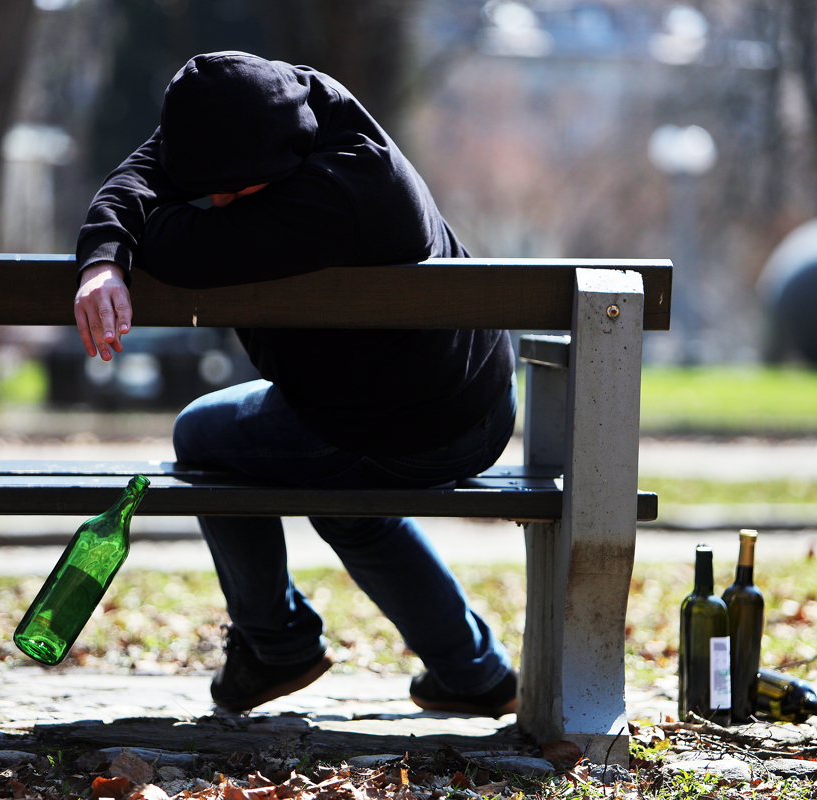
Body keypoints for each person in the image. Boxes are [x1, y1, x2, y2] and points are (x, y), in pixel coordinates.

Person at [72, 51, 518, 717]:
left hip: (418, 424)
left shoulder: (338, 197)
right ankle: (473, 674)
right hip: (466, 390)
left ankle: (276, 642)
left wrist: (127, 237)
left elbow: (179, 241)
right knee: (350, 508)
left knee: (202, 437)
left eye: (230, 191)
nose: (218, 199)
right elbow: (144, 172)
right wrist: (105, 257)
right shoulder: (290, 105)